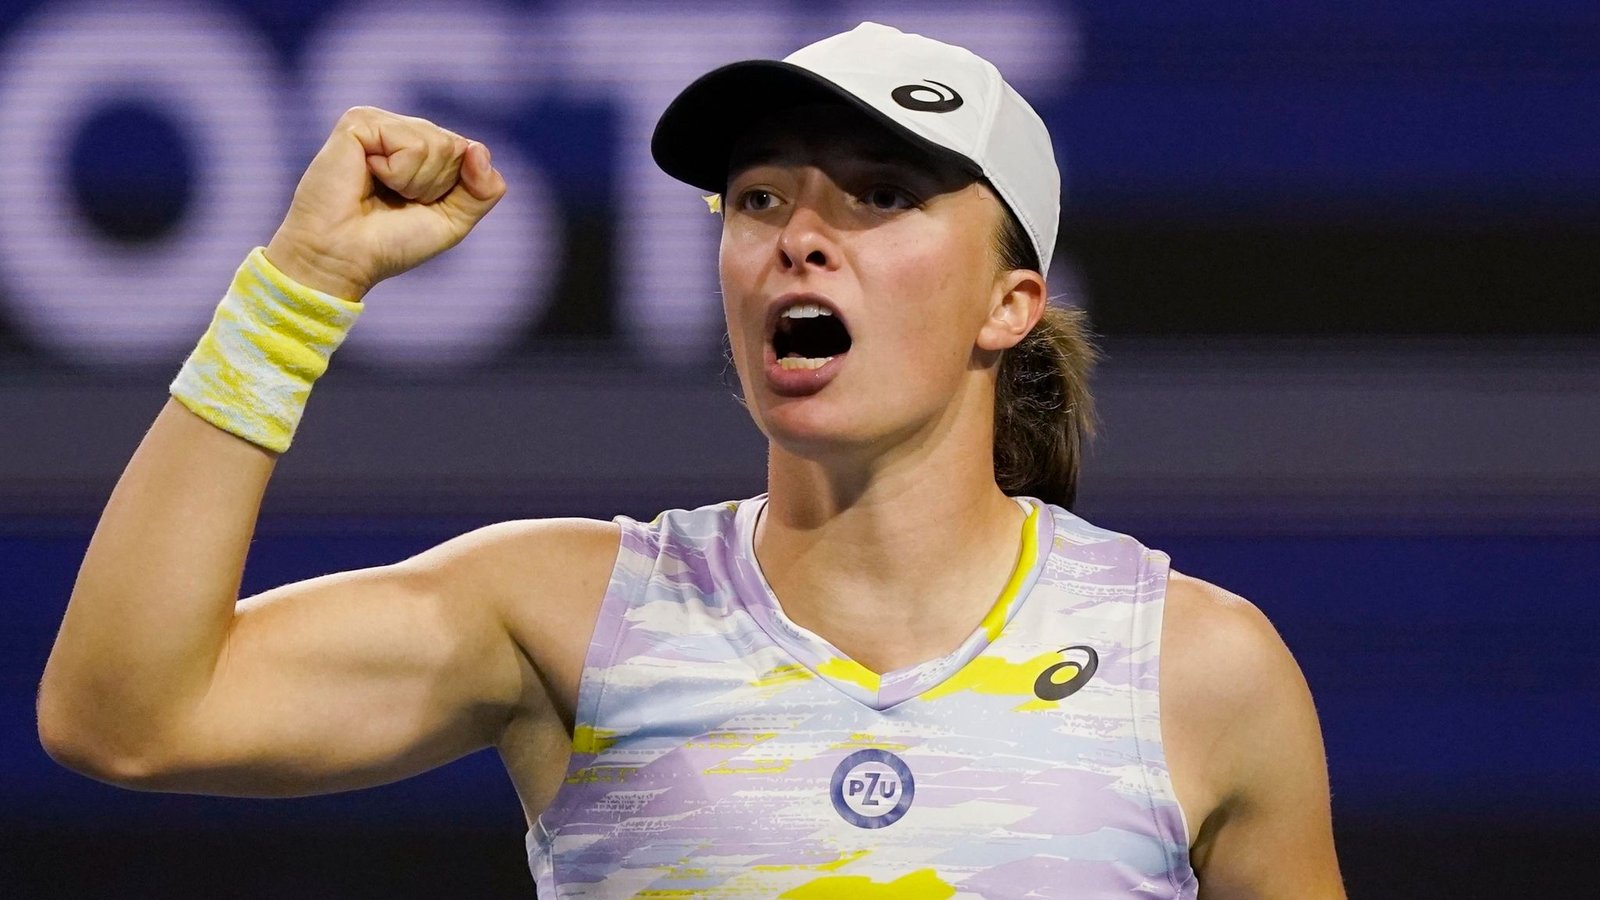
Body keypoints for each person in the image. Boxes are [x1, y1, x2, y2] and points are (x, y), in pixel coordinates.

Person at [38, 22, 1343, 898]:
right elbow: (125, 716)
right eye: (761, 198)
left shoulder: (1196, 669)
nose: (801, 237)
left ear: (1010, 303)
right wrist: (302, 286)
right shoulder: (566, 614)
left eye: (881, 196)